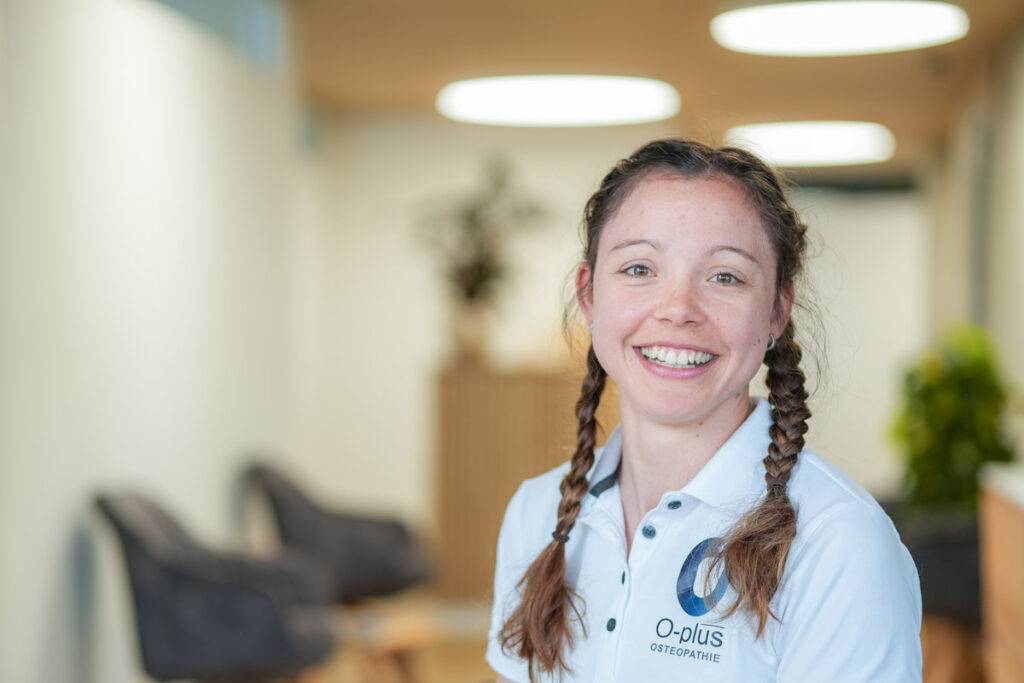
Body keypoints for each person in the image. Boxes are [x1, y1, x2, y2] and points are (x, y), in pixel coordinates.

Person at [485, 139, 922, 682]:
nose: (678, 309)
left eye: (725, 276)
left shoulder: (839, 543)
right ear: (590, 294)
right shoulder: (537, 514)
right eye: (640, 268)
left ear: (777, 310)